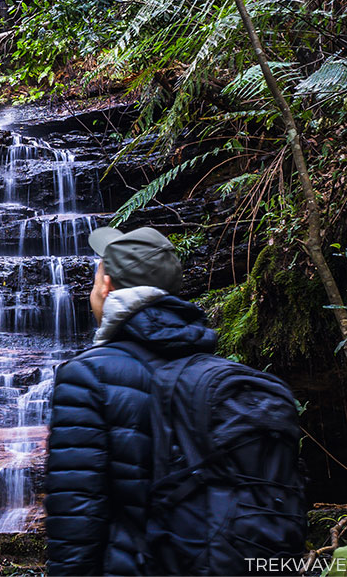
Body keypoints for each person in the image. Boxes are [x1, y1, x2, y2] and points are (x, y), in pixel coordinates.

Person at [43, 226, 217, 575]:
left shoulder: (87, 376)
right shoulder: (217, 373)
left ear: (106, 288)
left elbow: (76, 521)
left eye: (96, 279)